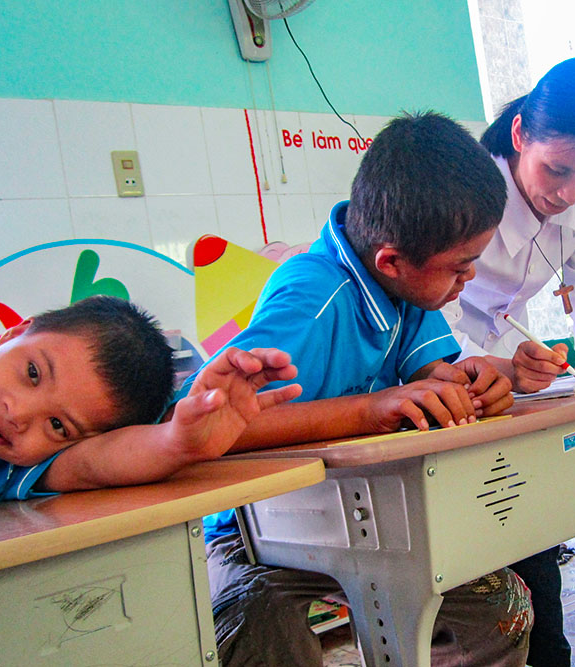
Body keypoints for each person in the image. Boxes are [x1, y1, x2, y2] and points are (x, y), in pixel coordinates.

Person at [177, 111, 534, 667]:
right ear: (392, 260)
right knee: (256, 622)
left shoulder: (404, 289)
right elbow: (223, 425)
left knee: (500, 607)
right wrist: (371, 409)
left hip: (357, 514)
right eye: (460, 269)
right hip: (254, 532)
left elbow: (428, 375)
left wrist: (476, 384)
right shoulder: (310, 298)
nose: (467, 282)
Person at [441, 57, 575, 666]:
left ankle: (547, 649)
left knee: (529, 516)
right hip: (441, 351)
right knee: (495, 524)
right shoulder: (465, 187)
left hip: (505, 345)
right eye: (556, 170)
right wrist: (494, 368)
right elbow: (428, 306)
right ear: (519, 136)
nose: (569, 194)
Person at [0, 295, 300, 517]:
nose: (18, 415)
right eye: (33, 372)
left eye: (59, 426)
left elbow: (96, 462)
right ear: (16, 332)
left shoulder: (10, 468)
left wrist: (178, 441)